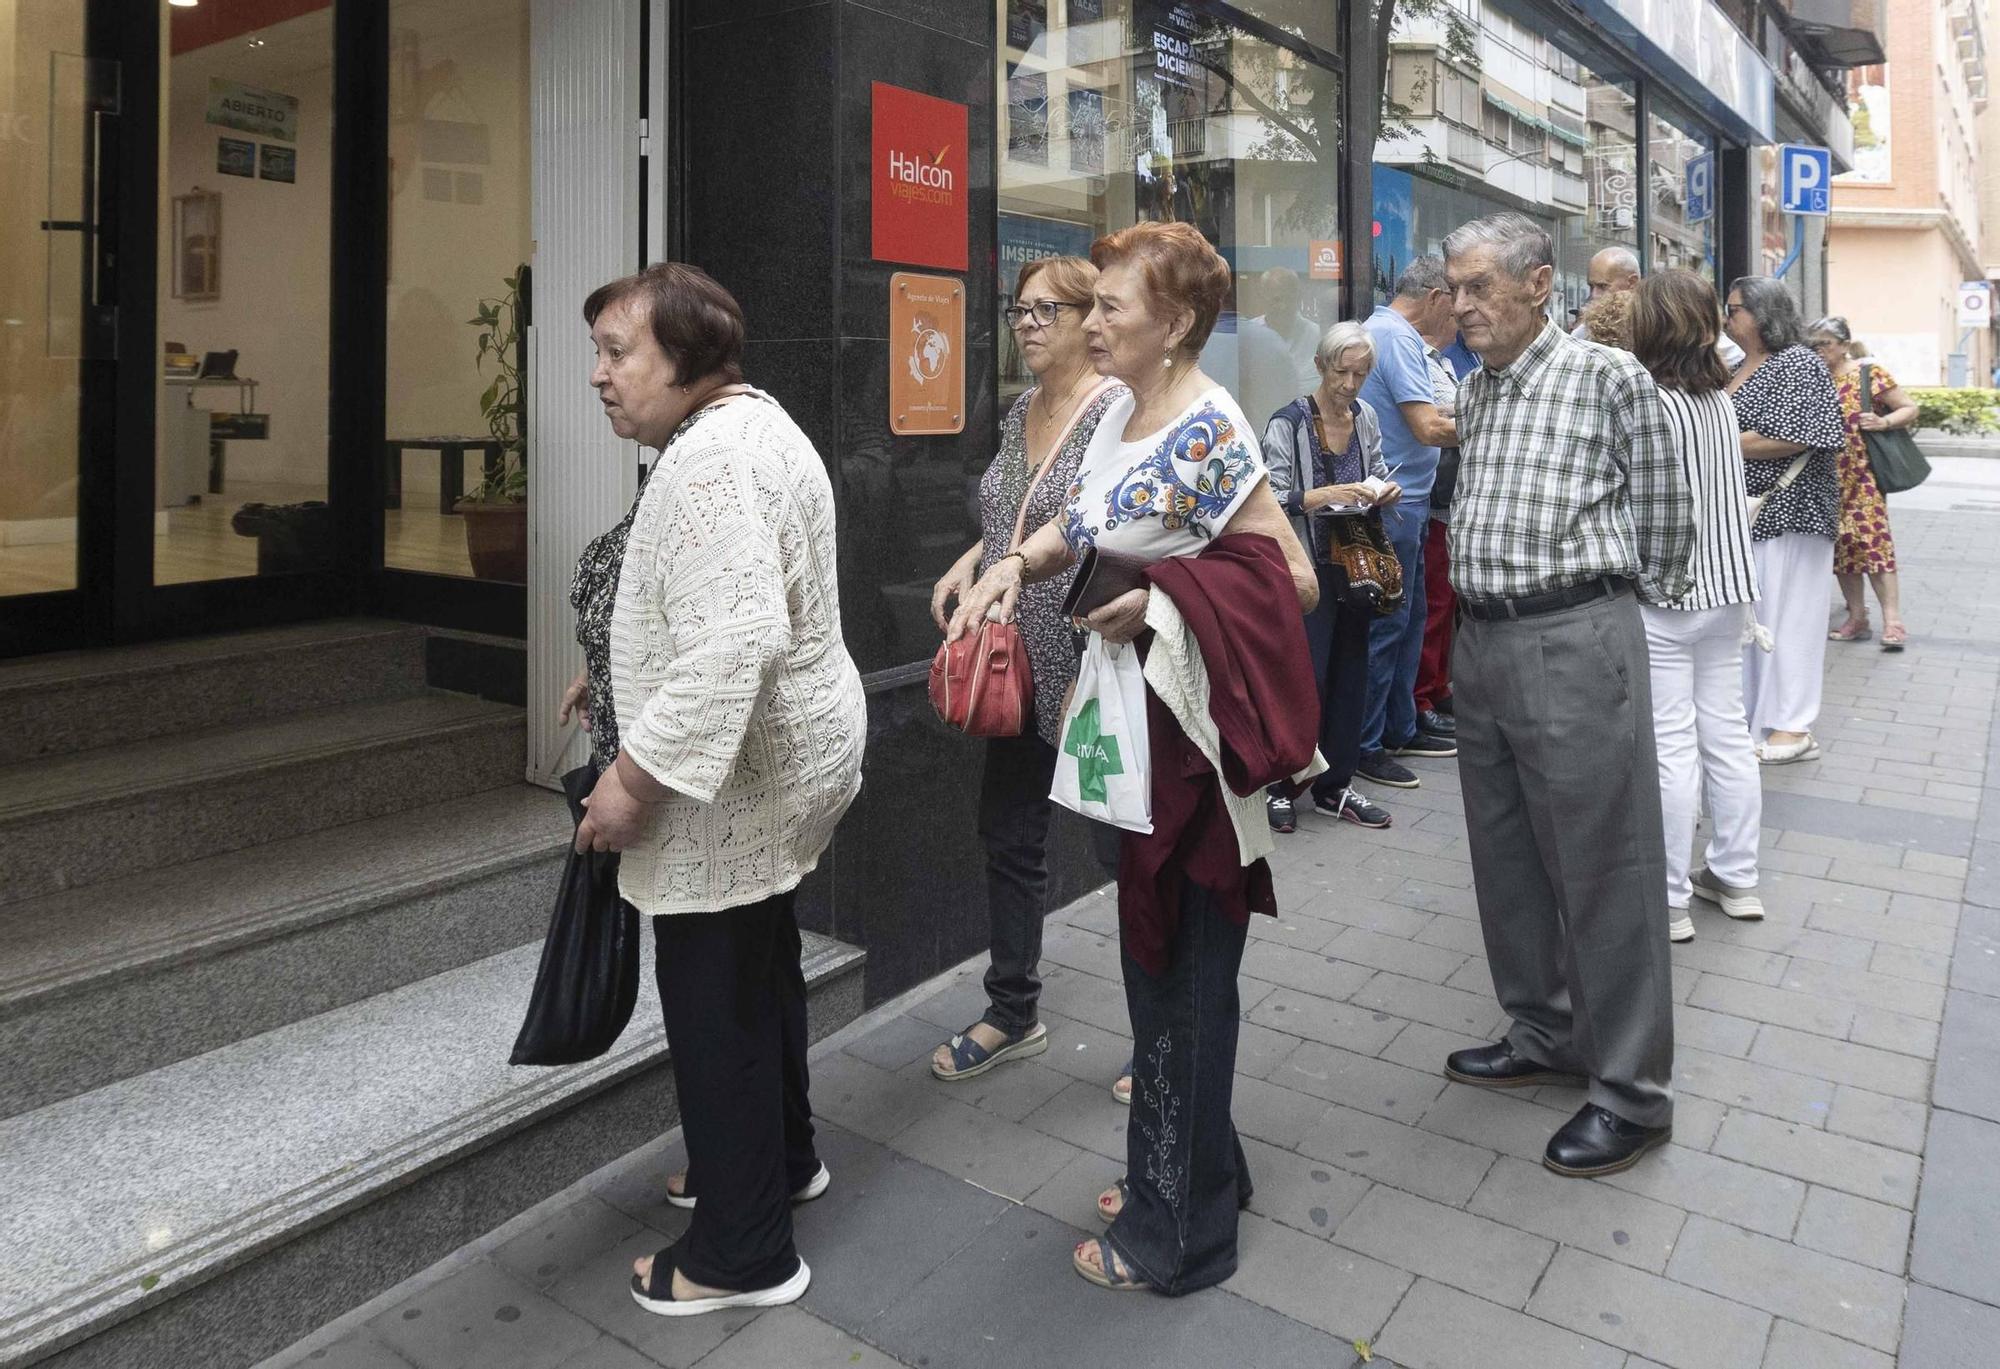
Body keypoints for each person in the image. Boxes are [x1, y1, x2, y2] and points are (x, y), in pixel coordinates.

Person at [948, 220, 1318, 1295]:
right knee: (1160, 966)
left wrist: (1162, 598)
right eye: (1093, 300)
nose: (1091, 319)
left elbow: (1285, 578)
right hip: (1125, 729)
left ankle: (1180, 1232)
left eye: (1112, 305)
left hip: (1186, 743)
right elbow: (1081, 517)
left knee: (1182, 974)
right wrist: (1012, 563)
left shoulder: (1208, 427)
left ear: (1177, 323)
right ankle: (1200, 1169)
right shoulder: (1122, 411)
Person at [564, 262, 867, 1317]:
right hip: (787, 761)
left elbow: (731, 640)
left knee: (714, 1003)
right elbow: (712, 602)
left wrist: (628, 784)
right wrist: (609, 663)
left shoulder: (705, 464)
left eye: (616, 353)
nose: (597, 375)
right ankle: (777, 1163)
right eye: (595, 351)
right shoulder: (753, 422)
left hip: (732, 784)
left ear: (685, 359)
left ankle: (741, 1253)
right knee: (758, 971)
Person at [1440, 212, 1693, 1178]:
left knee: (1606, 865)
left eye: (1477, 287)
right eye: (1454, 289)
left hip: (1575, 637)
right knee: (1506, 856)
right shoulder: (1477, 388)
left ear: (1538, 284)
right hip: (1483, 642)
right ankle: (1544, 1031)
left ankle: (1632, 1093)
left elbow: (1668, 515)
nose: (1460, 305)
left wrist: (1612, 609)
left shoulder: (1608, 377)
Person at [926, 257, 1126, 1081]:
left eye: (1049, 309)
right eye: (1019, 310)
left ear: (1091, 319)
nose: (1028, 323)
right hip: (1015, 660)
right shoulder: (1019, 411)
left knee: (1127, 855)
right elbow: (1020, 511)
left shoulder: (1116, 410)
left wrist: (1009, 563)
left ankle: (1161, 1039)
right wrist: (972, 561)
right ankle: (1014, 1008)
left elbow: (1101, 518)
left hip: (1092, 660)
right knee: (1009, 836)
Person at [1630, 270, 1766, 944]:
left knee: (1672, 743)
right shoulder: (1717, 398)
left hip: (1668, 593)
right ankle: (1737, 877)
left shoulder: (1648, 399)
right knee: (1728, 733)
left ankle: (1669, 896)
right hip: (1727, 589)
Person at [1262, 320, 1403, 832]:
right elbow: (1267, 497)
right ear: (1321, 366)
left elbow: (1381, 469)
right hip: (1306, 568)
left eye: (1361, 375)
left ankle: (1335, 785)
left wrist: (1384, 491)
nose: (1350, 385)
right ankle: (1278, 785)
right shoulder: (1290, 422)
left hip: (1354, 564)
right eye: (1342, 372)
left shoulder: (1364, 418)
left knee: (1350, 676)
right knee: (1303, 678)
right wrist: (1317, 498)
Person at [1724, 278, 1847, 764]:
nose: (1727, 318)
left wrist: (1716, 442)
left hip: (1791, 512)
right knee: (1756, 621)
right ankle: (1760, 719)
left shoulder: (1797, 362)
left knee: (1790, 619)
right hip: (1751, 514)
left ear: (1763, 313)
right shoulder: (1738, 364)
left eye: (1735, 310)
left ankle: (1792, 726)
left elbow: (1803, 433)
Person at [1356, 257, 1460, 790]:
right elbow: (1426, 427)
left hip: (1410, 501)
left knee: (1409, 620)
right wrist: (1500, 422)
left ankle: (1399, 725)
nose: (1461, 313)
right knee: (1389, 624)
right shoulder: (1394, 337)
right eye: (1458, 299)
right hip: (1394, 503)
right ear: (1436, 296)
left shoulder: (1393, 334)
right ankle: (1368, 743)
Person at [1808, 316, 1919, 652]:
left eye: (1824, 343)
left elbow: (1909, 408)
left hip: (1864, 478)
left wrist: (1883, 421)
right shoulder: (1812, 378)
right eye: (1814, 344)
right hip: (1826, 477)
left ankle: (1893, 622)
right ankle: (1857, 617)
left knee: (1875, 547)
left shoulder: (1869, 375)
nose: (1819, 350)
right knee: (1842, 551)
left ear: (1843, 345)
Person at [1415, 331, 1478, 728]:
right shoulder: (1435, 357)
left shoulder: (1447, 359)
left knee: (1443, 601)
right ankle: (1424, 697)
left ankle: (1437, 688)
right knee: (1435, 603)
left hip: (1449, 499)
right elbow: (1435, 420)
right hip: (1437, 499)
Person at [1245, 266, 1321, 394]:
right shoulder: (1249, 334)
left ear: (1298, 298)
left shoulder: (1316, 334)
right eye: (1277, 299)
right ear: (1263, 297)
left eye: (1290, 299)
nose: (1283, 306)